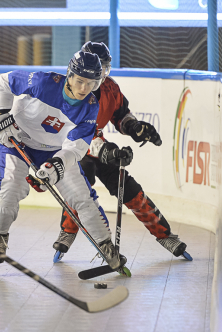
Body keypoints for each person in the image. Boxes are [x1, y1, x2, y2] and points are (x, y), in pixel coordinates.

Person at [0, 50, 133, 272]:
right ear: (69, 75)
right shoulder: (42, 82)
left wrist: (55, 167)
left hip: (55, 151)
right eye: (80, 81)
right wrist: (2, 114)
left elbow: (76, 147)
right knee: (11, 190)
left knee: (82, 198)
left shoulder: (91, 106)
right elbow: (3, 82)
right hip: (17, 141)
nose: (84, 89)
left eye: (91, 83)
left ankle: (106, 247)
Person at [52, 41, 190, 260]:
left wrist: (136, 127)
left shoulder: (110, 87)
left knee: (128, 186)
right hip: (71, 150)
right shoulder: (74, 91)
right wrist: (106, 150)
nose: (101, 75)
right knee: (81, 184)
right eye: (99, 68)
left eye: (105, 68)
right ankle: (68, 231)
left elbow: (121, 114)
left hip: (97, 147)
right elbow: (78, 133)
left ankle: (165, 235)